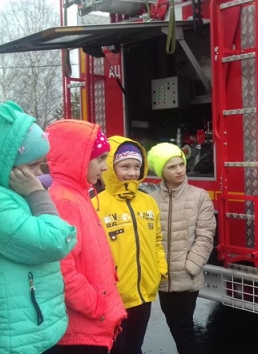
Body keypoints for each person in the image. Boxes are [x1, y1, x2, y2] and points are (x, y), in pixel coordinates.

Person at [0, 101, 77, 354]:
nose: (38, 174)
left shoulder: (5, 191)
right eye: (31, 165)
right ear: (1, 161)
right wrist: (37, 193)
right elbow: (56, 241)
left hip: (25, 330)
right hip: (12, 338)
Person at [45, 119, 127, 354]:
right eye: (100, 159)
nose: (105, 167)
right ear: (78, 157)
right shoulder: (64, 201)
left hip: (95, 322)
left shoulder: (78, 193)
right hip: (84, 329)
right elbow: (63, 272)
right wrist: (98, 306)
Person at [93, 136, 168, 354]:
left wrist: (159, 270)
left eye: (137, 166)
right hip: (114, 296)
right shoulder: (97, 204)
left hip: (144, 294)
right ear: (110, 167)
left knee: (135, 348)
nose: (132, 172)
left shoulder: (148, 201)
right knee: (117, 349)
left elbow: (157, 240)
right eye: (125, 166)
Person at [147, 142, 216, 354]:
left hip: (187, 277)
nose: (179, 170)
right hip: (162, 278)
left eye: (181, 164)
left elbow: (205, 236)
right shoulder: (151, 199)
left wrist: (190, 266)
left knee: (183, 326)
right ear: (161, 171)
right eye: (171, 167)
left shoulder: (199, 196)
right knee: (174, 324)